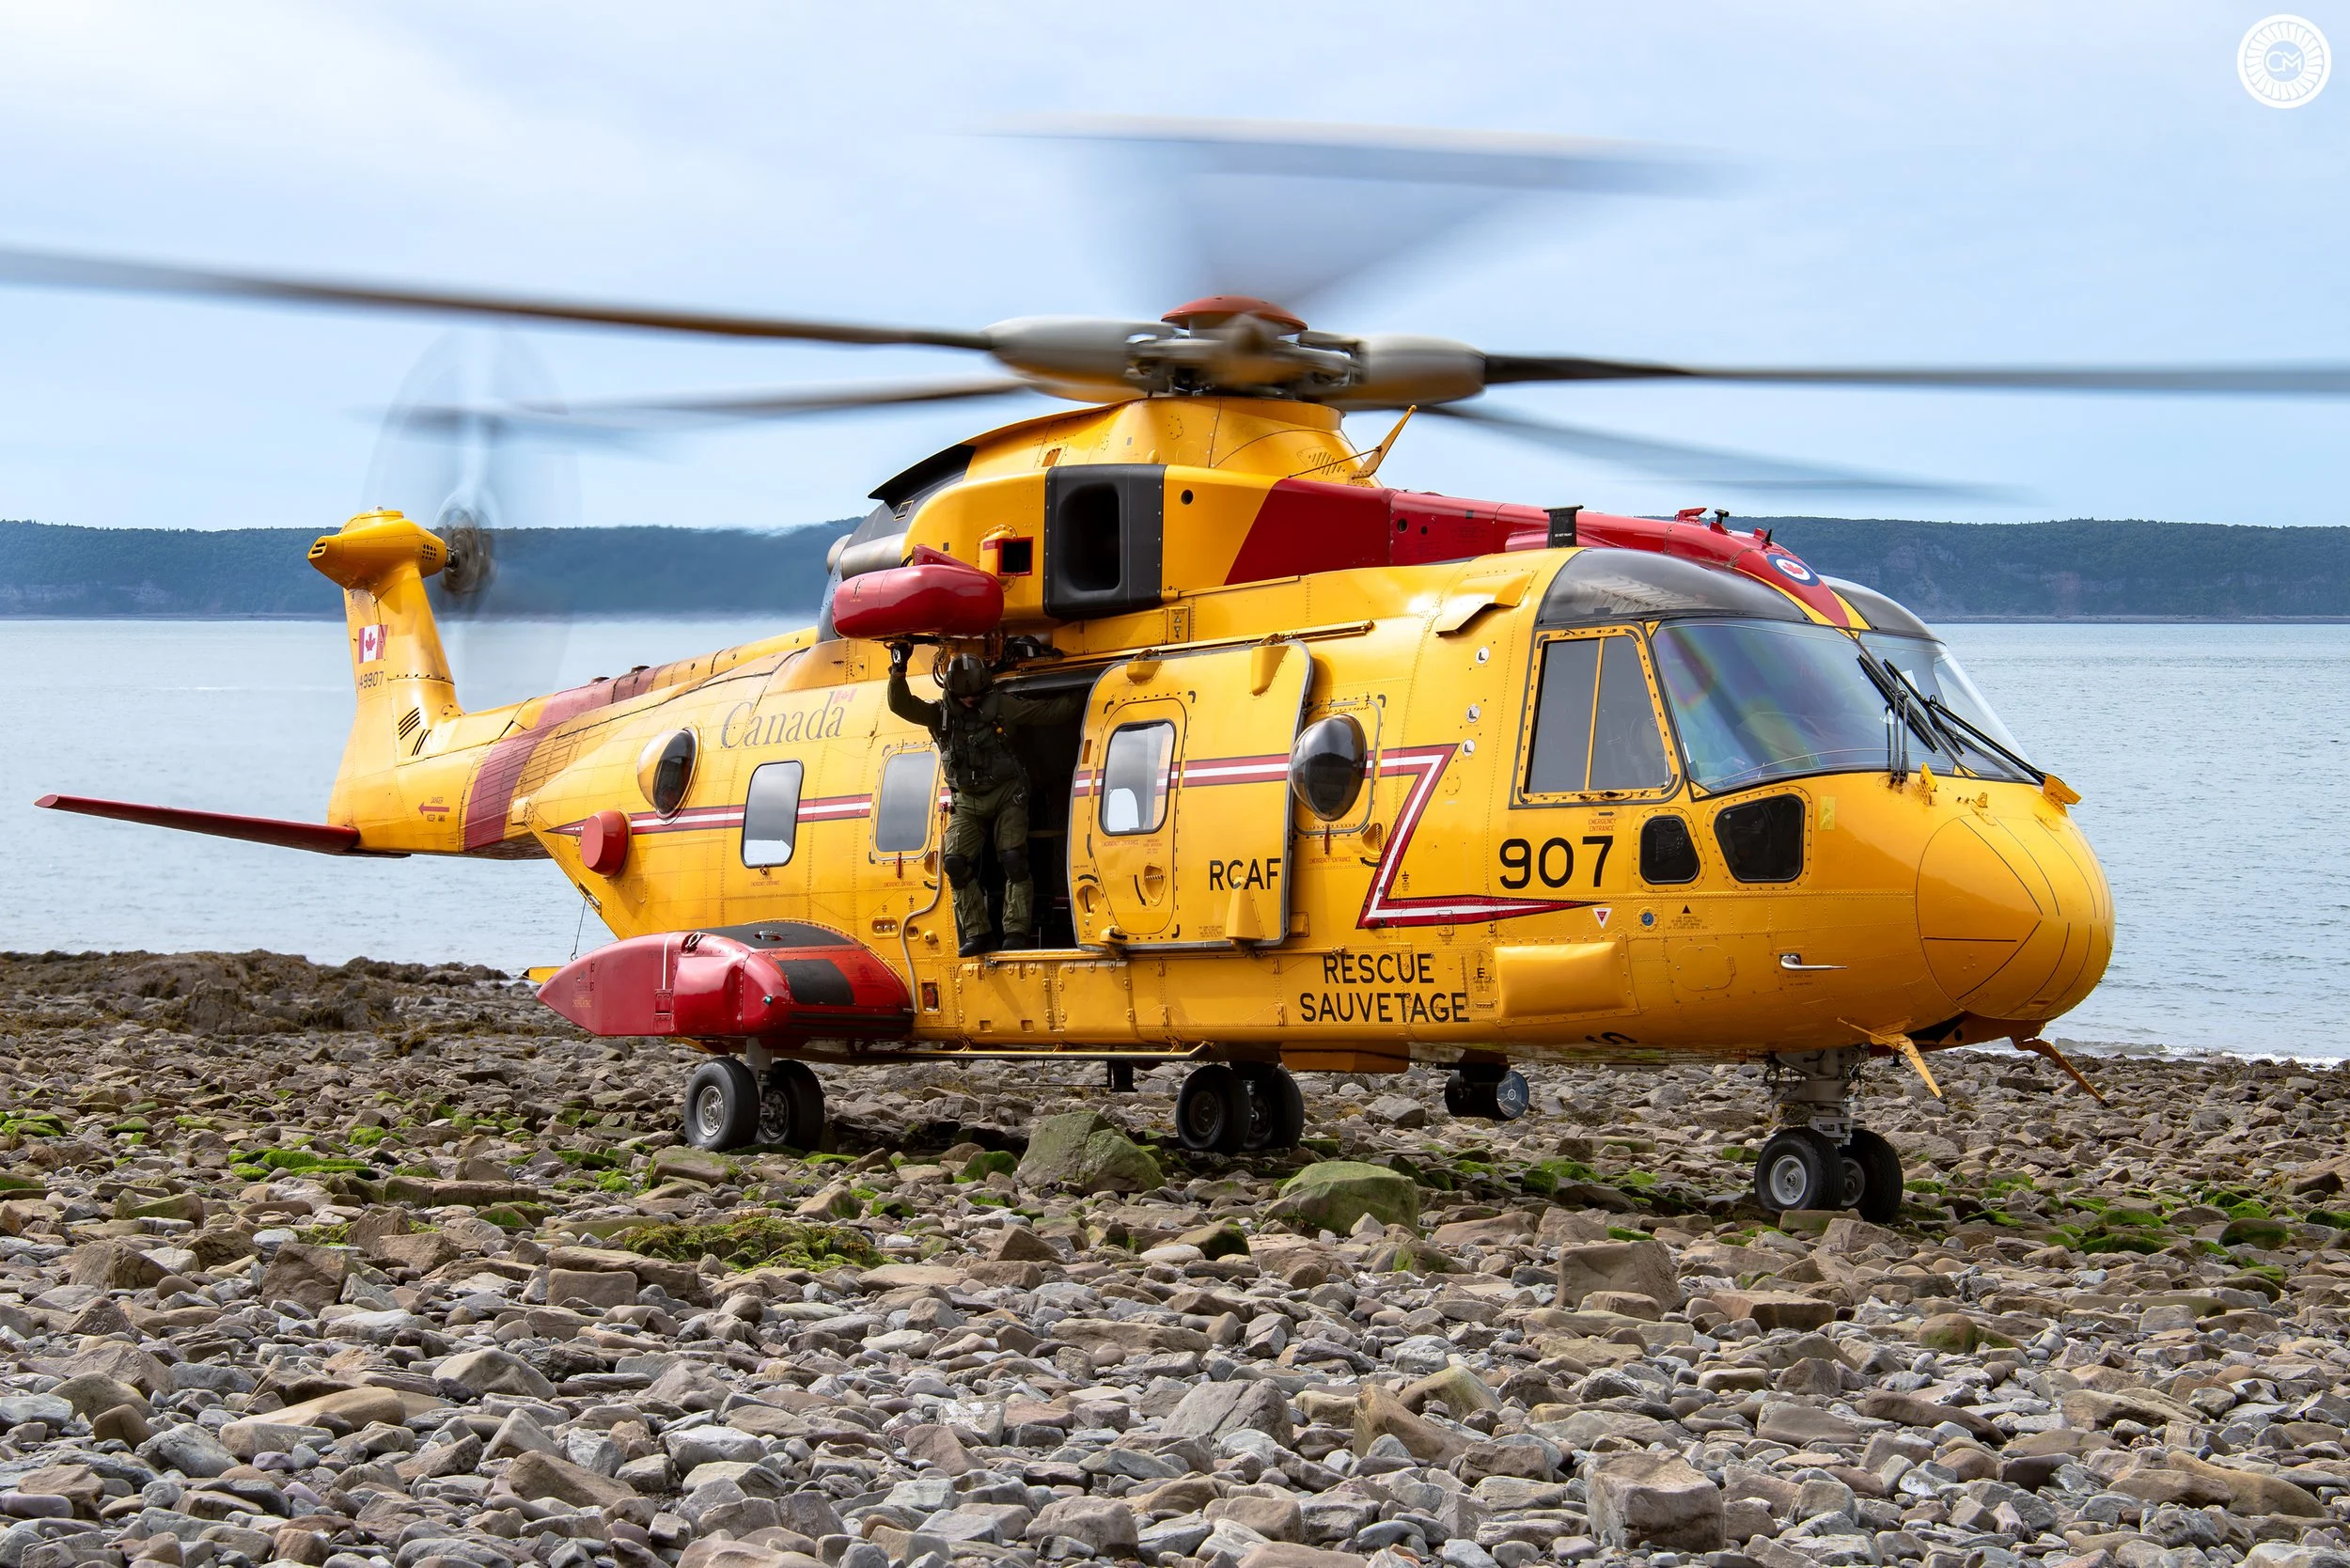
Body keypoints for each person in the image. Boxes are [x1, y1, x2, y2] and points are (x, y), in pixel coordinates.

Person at [886, 645, 1085, 956]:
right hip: (968, 800)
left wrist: (1087, 688)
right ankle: (978, 933)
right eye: (964, 696)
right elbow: (901, 705)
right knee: (954, 862)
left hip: (1007, 794)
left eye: (976, 694)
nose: (970, 700)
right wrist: (898, 671)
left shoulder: (1002, 707)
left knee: (1013, 859)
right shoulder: (939, 715)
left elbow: (1050, 712)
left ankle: (1016, 930)